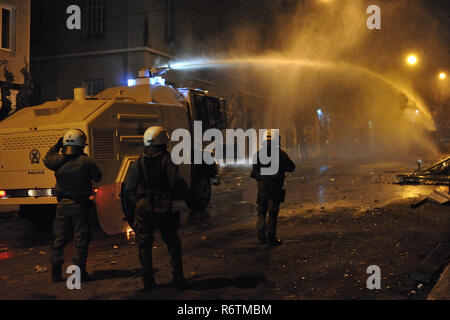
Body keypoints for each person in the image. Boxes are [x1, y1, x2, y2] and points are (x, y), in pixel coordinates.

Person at [123, 126, 189, 290]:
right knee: (172, 243)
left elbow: (129, 188)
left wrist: (137, 204)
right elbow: (177, 183)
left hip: (143, 208)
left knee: (144, 245)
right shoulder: (167, 159)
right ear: (163, 140)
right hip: (163, 207)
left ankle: (148, 281)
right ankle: (178, 279)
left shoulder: (138, 162)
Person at [44, 129, 102, 283]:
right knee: (80, 239)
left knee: (59, 239)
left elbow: (47, 158)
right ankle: (79, 274)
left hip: (62, 206)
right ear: (82, 144)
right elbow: (98, 176)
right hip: (79, 206)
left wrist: (56, 145)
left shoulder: (57, 160)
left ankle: (55, 274)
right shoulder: (86, 161)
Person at [251, 129, 296, 246]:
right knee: (272, 213)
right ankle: (271, 238)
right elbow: (291, 167)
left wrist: (261, 178)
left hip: (262, 188)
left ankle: (261, 236)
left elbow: (253, 173)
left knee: (261, 212)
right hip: (275, 187)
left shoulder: (258, 154)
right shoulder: (280, 154)